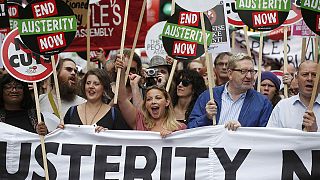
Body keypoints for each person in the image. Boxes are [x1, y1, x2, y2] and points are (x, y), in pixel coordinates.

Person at [188, 53, 273, 130]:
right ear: (230, 73)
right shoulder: (209, 96)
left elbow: (265, 137)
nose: (249, 76)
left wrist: (243, 131)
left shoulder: (263, 103)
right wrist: (206, 118)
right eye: (243, 71)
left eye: (252, 71)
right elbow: (191, 128)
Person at [115, 57, 186, 137]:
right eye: (149, 99)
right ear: (145, 104)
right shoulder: (140, 122)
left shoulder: (180, 128)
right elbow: (122, 100)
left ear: (167, 102)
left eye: (158, 98)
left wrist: (171, 137)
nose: (153, 102)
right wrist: (121, 71)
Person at [60, 68, 130, 132]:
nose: (91, 86)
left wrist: (108, 134)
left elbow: (123, 139)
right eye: (88, 83)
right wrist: (59, 131)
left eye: (96, 84)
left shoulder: (114, 114)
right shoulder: (72, 111)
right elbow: (63, 138)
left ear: (104, 89)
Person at [267, 61, 320, 132]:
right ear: (297, 78)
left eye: (314, 75)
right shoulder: (283, 107)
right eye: (305, 74)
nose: (309, 79)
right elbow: (271, 137)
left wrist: (315, 133)